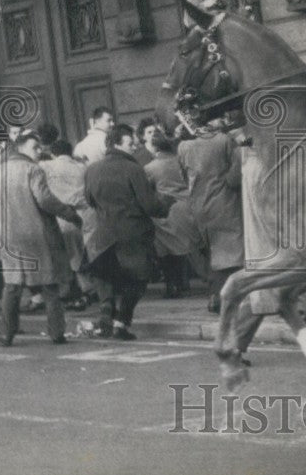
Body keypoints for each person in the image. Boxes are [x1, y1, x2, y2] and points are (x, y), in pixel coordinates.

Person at [0, 131, 82, 346]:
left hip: (10, 235)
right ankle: (56, 332)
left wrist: (5, 213)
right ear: (21, 148)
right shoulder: (33, 169)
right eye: (35, 147)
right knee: (49, 284)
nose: (39, 151)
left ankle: (7, 333)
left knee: (12, 285)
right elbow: (45, 199)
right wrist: (69, 213)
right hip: (38, 234)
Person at [83, 124, 171, 340]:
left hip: (104, 233)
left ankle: (106, 308)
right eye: (130, 143)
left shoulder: (92, 170)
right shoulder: (133, 169)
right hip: (134, 234)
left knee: (108, 274)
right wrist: (166, 204)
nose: (134, 147)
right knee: (137, 280)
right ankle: (121, 323)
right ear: (116, 144)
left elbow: (89, 200)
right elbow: (150, 206)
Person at [177, 120, 244, 313]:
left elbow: (184, 177)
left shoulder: (183, 146)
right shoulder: (224, 140)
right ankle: (227, 298)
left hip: (199, 205)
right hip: (225, 204)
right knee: (233, 253)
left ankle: (215, 296)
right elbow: (234, 178)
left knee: (212, 252)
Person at [39, 139, 94, 311]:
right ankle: (89, 289)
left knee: (68, 255)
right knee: (83, 252)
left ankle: (77, 291)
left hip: (62, 215)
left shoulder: (47, 166)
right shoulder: (82, 167)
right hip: (84, 213)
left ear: (53, 153)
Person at [144, 131, 199, 299]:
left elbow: (147, 191)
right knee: (190, 246)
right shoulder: (180, 161)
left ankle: (172, 285)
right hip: (188, 206)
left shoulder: (150, 168)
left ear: (155, 147)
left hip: (166, 210)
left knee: (166, 250)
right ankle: (185, 281)